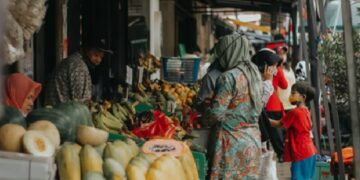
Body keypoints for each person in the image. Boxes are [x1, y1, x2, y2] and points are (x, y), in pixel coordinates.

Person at [206, 34, 263, 179]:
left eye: (222, 53)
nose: (220, 58)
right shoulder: (255, 73)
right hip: (252, 143)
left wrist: (202, 116)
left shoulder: (228, 77)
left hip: (231, 147)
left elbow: (216, 114)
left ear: (230, 52)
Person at [270, 81, 317, 179]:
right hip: (310, 151)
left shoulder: (295, 112)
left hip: (301, 152)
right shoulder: (306, 111)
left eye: (293, 93)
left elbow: (278, 124)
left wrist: (262, 118)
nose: (290, 95)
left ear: (303, 97)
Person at [45, 41, 112, 106]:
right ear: (86, 50)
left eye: (101, 57)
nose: (98, 60)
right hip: (64, 113)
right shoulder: (78, 66)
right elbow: (79, 102)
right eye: (96, 55)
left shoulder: (73, 61)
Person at [277, 46, 297, 112]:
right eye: (280, 54)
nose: (282, 56)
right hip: (280, 105)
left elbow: (294, 84)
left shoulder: (289, 69)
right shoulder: (275, 69)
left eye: (284, 54)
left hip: (291, 104)